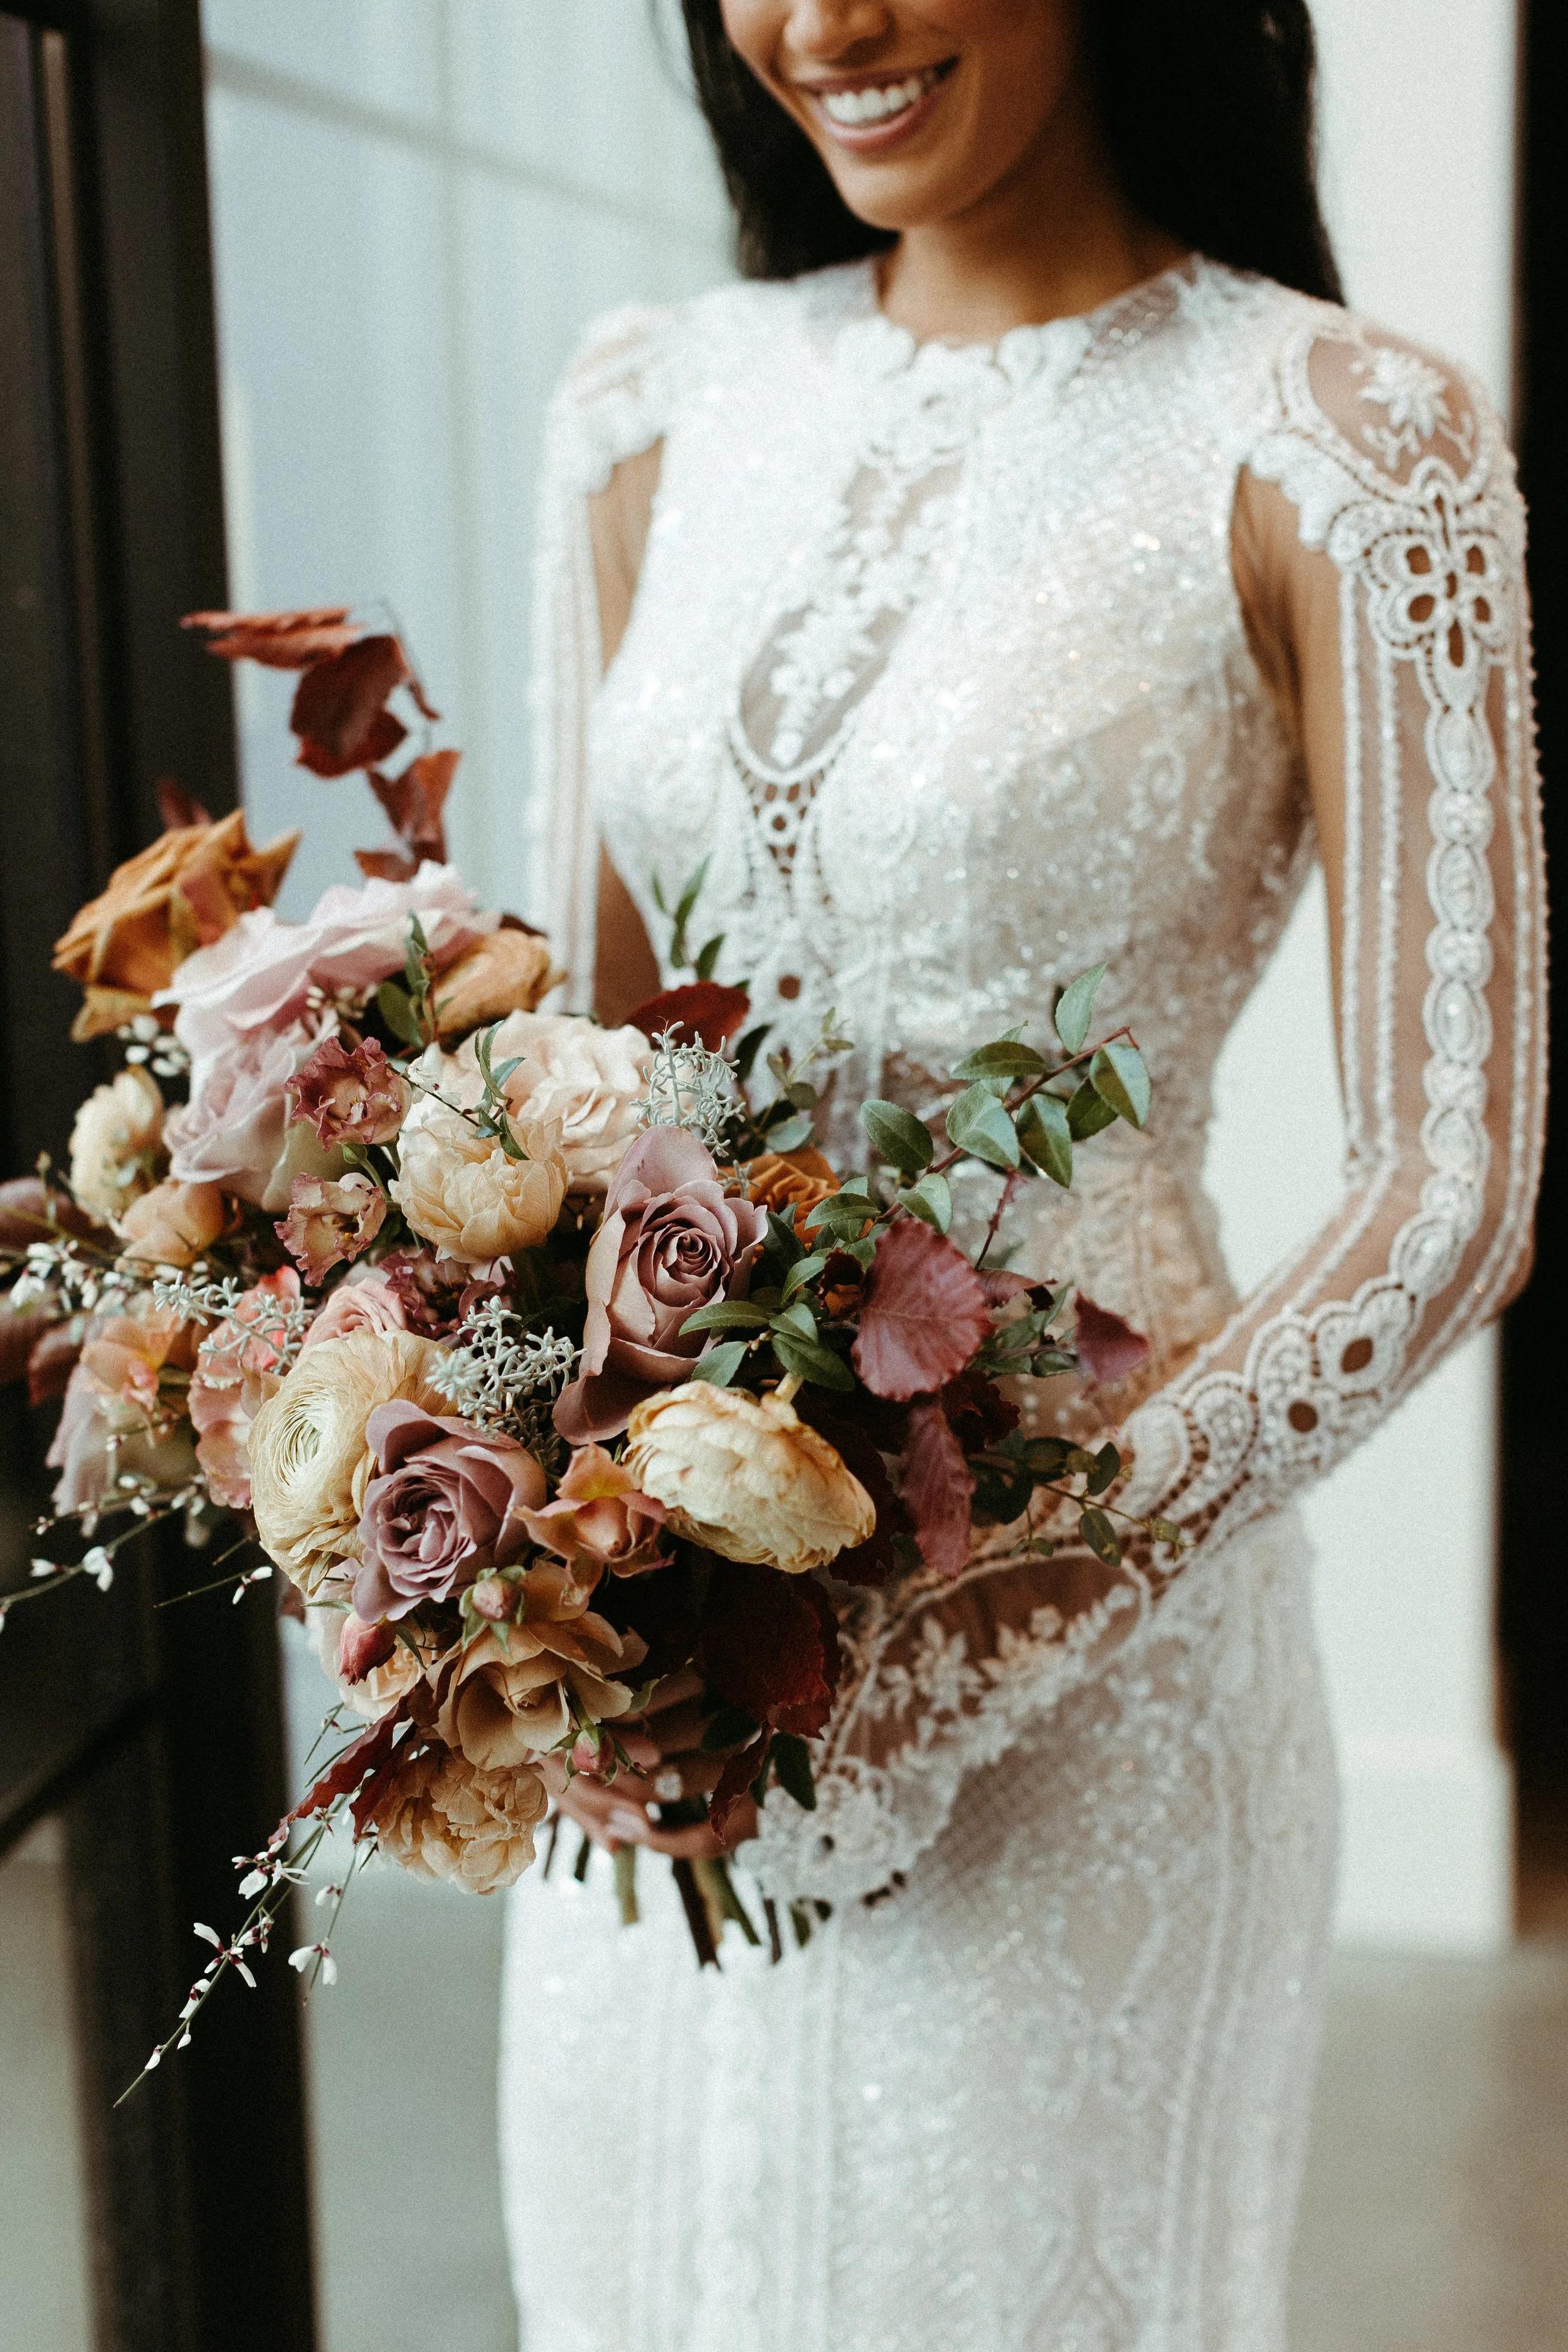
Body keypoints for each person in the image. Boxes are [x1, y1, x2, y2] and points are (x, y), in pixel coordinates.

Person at [499, 4, 1547, 2344]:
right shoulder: (644, 404)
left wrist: (951, 1638)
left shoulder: (1340, 437)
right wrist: (525, 1571)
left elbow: (1451, 1182)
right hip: (659, 1681)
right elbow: (567, 1074)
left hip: (1094, 1672)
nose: (822, 23)